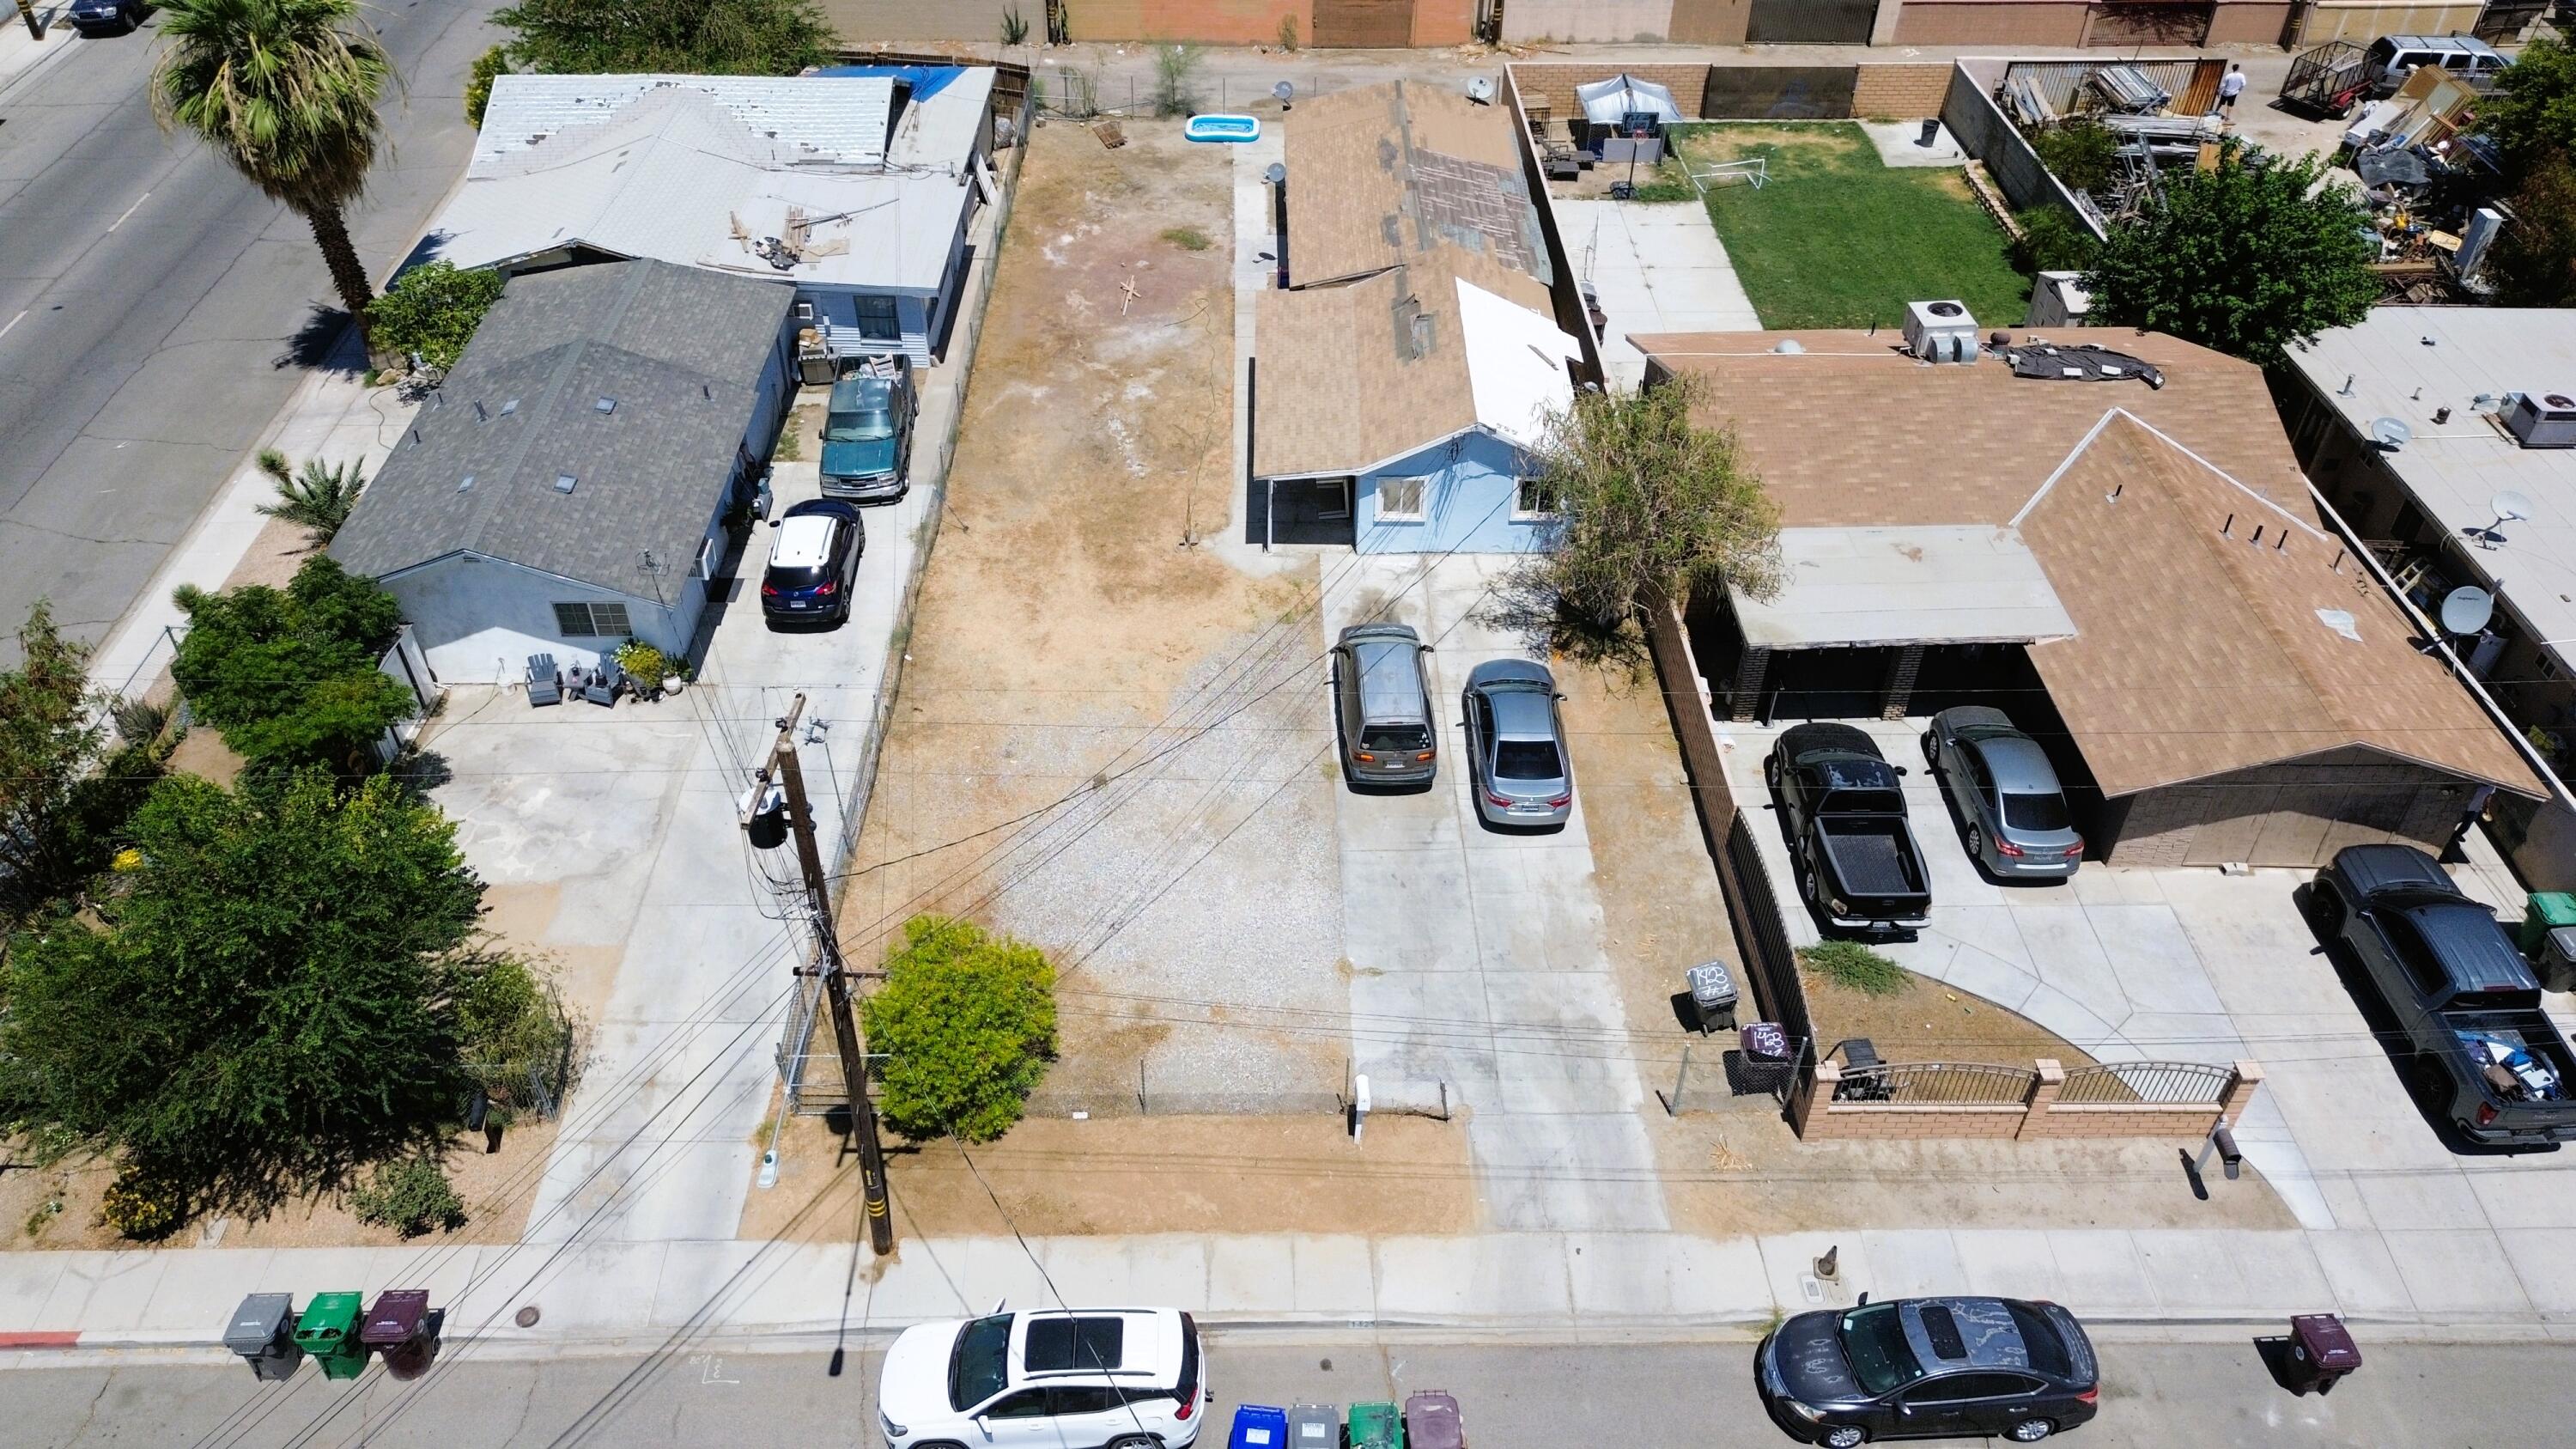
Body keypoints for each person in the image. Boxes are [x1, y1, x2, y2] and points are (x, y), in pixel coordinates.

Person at [2445, 782, 2499, 859]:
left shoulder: (2492, 787)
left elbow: (2488, 797)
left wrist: (2486, 808)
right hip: (2465, 806)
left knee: (2466, 826)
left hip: (2475, 809)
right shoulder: (2476, 783)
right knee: (2456, 820)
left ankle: (2454, 837)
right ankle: (2449, 832)